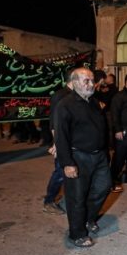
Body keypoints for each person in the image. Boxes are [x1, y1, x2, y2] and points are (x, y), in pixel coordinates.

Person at [55, 68, 111, 247]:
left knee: (104, 187)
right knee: (76, 197)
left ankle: (88, 218)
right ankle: (77, 234)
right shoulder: (65, 104)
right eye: (86, 80)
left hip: (99, 156)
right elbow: (61, 136)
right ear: (75, 82)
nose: (90, 84)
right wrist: (67, 163)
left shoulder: (94, 103)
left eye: (92, 80)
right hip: (77, 156)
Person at [43, 72, 73, 215]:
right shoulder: (60, 95)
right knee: (60, 172)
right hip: (62, 141)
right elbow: (54, 123)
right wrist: (57, 144)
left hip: (73, 140)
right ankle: (49, 201)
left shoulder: (75, 95)